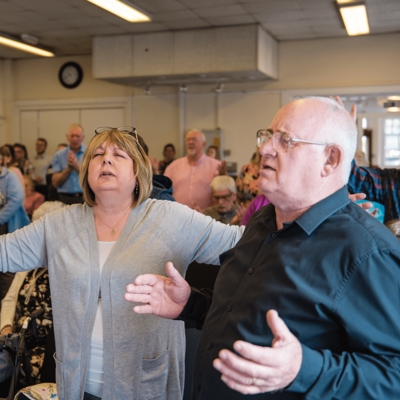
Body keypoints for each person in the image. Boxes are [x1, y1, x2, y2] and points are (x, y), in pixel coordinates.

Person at [126, 97, 400, 399]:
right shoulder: (263, 221)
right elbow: (242, 318)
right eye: (268, 136)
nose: (265, 148)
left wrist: (303, 369)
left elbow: (394, 374)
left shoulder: (367, 252)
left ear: (330, 160)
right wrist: (189, 305)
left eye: (286, 141)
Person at [0, 126, 243, 400]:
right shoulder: (59, 225)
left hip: (145, 385)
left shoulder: (169, 219)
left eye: (119, 154)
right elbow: (4, 251)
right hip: (77, 385)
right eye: (98, 154)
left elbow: (244, 245)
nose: (106, 159)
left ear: (138, 172)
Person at [0, 153, 30, 306]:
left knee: (7, 269)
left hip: (8, 226)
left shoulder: (9, 176)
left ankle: (6, 309)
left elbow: (17, 198)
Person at [165, 129, 222, 210]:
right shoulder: (173, 166)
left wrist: (224, 177)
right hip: (178, 216)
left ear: (203, 144)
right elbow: (164, 191)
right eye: (188, 139)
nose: (190, 142)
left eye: (194, 139)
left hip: (206, 217)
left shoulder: (216, 165)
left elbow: (222, 192)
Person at [51, 124, 86, 205]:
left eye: (77, 136)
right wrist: (68, 169)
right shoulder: (58, 155)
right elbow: (55, 183)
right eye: (72, 135)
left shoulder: (90, 152)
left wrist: (76, 166)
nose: (74, 139)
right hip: (64, 199)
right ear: (67, 137)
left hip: (85, 198)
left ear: (83, 137)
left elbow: (92, 178)